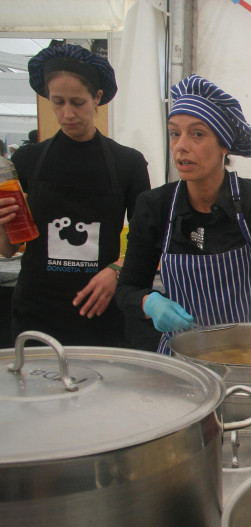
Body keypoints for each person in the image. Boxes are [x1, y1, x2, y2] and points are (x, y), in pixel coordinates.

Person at [115, 74, 251, 354]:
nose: (181, 145)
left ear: (223, 145)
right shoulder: (155, 206)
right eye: (174, 133)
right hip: (186, 359)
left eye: (197, 134)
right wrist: (149, 303)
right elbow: (128, 289)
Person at [0, 43, 150, 347]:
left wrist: (116, 271)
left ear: (97, 98)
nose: (67, 114)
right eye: (58, 102)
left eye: (77, 102)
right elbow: (7, 250)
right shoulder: (27, 160)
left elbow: (147, 240)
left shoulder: (128, 163)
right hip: (36, 312)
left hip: (100, 313)